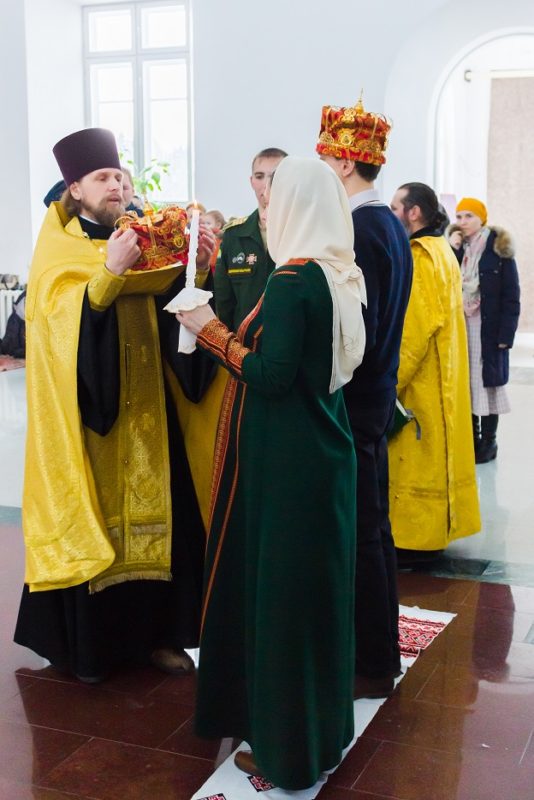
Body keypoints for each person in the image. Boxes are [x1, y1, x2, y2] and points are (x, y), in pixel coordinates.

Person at [177, 157, 366, 790]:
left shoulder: (292, 280)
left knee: (282, 605)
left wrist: (209, 331)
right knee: (314, 602)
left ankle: (287, 753)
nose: (266, 205)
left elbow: (273, 376)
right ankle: (321, 733)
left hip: (286, 464)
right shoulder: (339, 272)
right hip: (323, 451)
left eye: (275, 194)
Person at [14, 127, 218, 682]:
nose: (117, 185)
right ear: (75, 188)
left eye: (120, 177)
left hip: (152, 407)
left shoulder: (145, 234)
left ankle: (161, 637)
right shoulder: (58, 245)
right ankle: (93, 649)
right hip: (93, 416)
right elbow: (56, 322)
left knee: (167, 518)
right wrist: (108, 274)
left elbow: (178, 304)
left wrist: (198, 267)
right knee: (98, 521)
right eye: (102, 177)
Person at [316, 95, 413, 699]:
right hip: (375, 397)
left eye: (326, 162)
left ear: (346, 164)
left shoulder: (361, 229)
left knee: (358, 533)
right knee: (372, 528)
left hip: (356, 402)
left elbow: (357, 335)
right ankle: (377, 655)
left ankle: (370, 662)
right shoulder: (389, 225)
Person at [389, 182, 480, 561]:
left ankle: (415, 541)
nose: (391, 215)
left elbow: (413, 330)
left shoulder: (421, 256)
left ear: (414, 212)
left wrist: (390, 381)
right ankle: (430, 534)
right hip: (442, 375)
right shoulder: (441, 249)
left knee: (417, 457)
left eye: (396, 207)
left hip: (423, 382)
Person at [449, 198, 520, 463]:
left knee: (488, 385)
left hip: (488, 328)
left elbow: (511, 297)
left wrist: (506, 337)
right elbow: (448, 283)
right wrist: (453, 249)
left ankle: (489, 442)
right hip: (462, 326)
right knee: (466, 383)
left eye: (469, 216)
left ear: (482, 218)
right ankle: (472, 439)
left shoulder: (499, 250)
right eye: (459, 216)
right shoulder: (457, 248)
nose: (462, 222)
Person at [214, 147, 287, 329]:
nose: (266, 184)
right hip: (242, 340)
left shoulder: (301, 233)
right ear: (252, 181)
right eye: (259, 176)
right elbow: (223, 302)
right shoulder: (234, 234)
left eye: (274, 176)